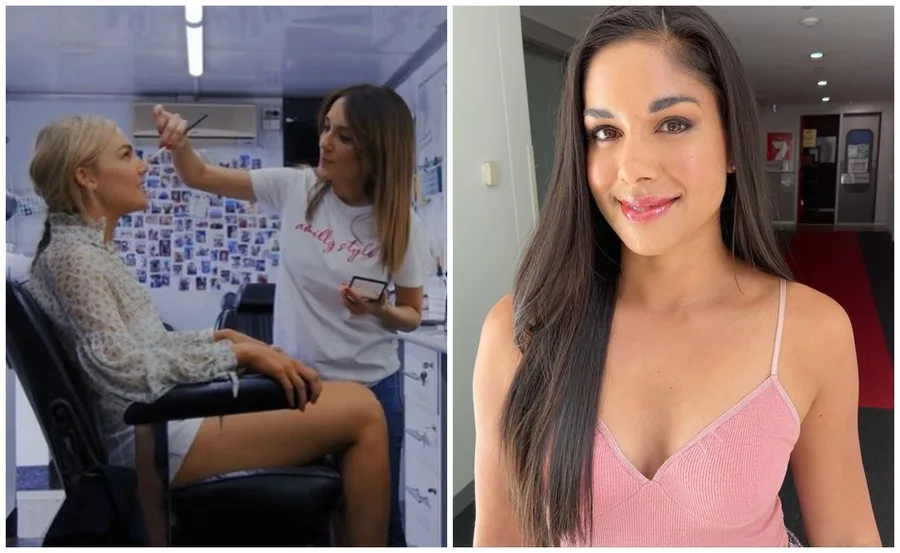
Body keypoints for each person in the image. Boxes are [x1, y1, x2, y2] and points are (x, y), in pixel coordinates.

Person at [472, 6, 881, 548]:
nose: (633, 167)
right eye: (605, 131)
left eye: (673, 124)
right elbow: (501, 538)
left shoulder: (810, 329)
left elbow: (849, 534)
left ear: (733, 142)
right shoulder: (523, 331)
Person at [24, 115, 390, 546]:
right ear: (85, 177)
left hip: (158, 425)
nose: (143, 167)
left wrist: (225, 339)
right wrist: (238, 356)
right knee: (363, 411)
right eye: (126, 155)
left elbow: (145, 347)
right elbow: (122, 367)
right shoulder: (75, 258)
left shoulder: (85, 251)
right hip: (150, 437)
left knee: (343, 402)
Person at [153, 83, 427, 547]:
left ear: (376, 150)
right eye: (326, 128)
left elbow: (412, 315)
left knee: (376, 526)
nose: (324, 142)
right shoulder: (297, 189)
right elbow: (199, 175)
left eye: (344, 137)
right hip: (305, 389)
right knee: (311, 519)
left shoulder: (399, 222)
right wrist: (180, 145)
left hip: (374, 390)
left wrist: (380, 310)